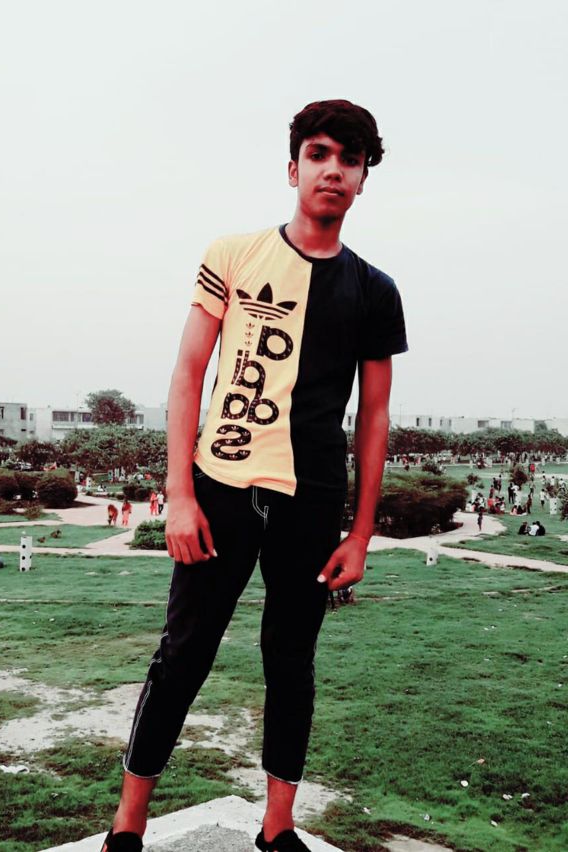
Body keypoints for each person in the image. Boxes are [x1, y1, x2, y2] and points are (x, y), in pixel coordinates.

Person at [100, 99, 408, 852]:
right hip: (220, 486)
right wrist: (178, 494)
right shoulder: (234, 255)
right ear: (293, 167)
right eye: (319, 154)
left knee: (291, 663)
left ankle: (278, 828)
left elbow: (373, 418)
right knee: (183, 655)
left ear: (364, 179)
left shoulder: (375, 291)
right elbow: (188, 373)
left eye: (350, 160)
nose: (333, 170)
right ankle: (127, 827)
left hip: (312, 500)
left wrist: (361, 533)